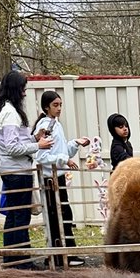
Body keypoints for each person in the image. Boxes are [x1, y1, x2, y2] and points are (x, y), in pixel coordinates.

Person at [0, 70, 52, 267]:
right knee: (20, 218)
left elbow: (14, 142)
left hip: (11, 169)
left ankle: (11, 260)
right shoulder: (10, 114)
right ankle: (22, 263)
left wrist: (34, 137)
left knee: (13, 216)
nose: (24, 93)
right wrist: (38, 146)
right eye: (23, 89)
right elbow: (12, 147)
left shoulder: (4, 110)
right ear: (16, 89)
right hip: (17, 171)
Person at [32, 90, 88, 266]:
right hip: (50, 179)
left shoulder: (56, 124)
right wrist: (64, 159)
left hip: (59, 176)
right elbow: (41, 156)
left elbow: (60, 151)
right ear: (46, 107)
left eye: (60, 105)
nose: (59, 108)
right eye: (55, 105)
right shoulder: (45, 127)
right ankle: (58, 256)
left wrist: (75, 144)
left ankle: (67, 253)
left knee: (64, 214)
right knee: (56, 216)